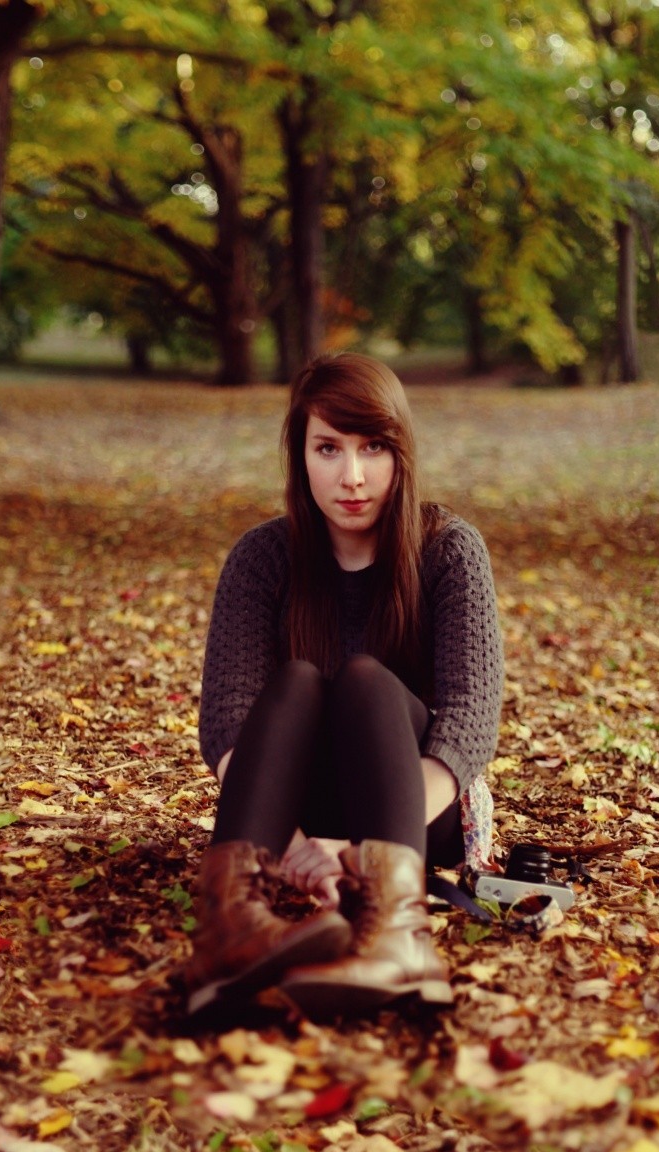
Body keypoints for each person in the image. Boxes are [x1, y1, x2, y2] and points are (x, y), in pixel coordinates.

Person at [186, 353, 504, 1024]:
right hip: (296, 813)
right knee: (298, 681)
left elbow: (470, 721)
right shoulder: (261, 558)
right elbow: (227, 723)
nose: (351, 477)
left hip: (419, 809)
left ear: (401, 455)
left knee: (364, 680)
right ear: (300, 454)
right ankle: (229, 933)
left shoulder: (448, 549)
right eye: (328, 448)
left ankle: (399, 937)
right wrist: (295, 843)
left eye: (373, 448)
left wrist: (365, 851)